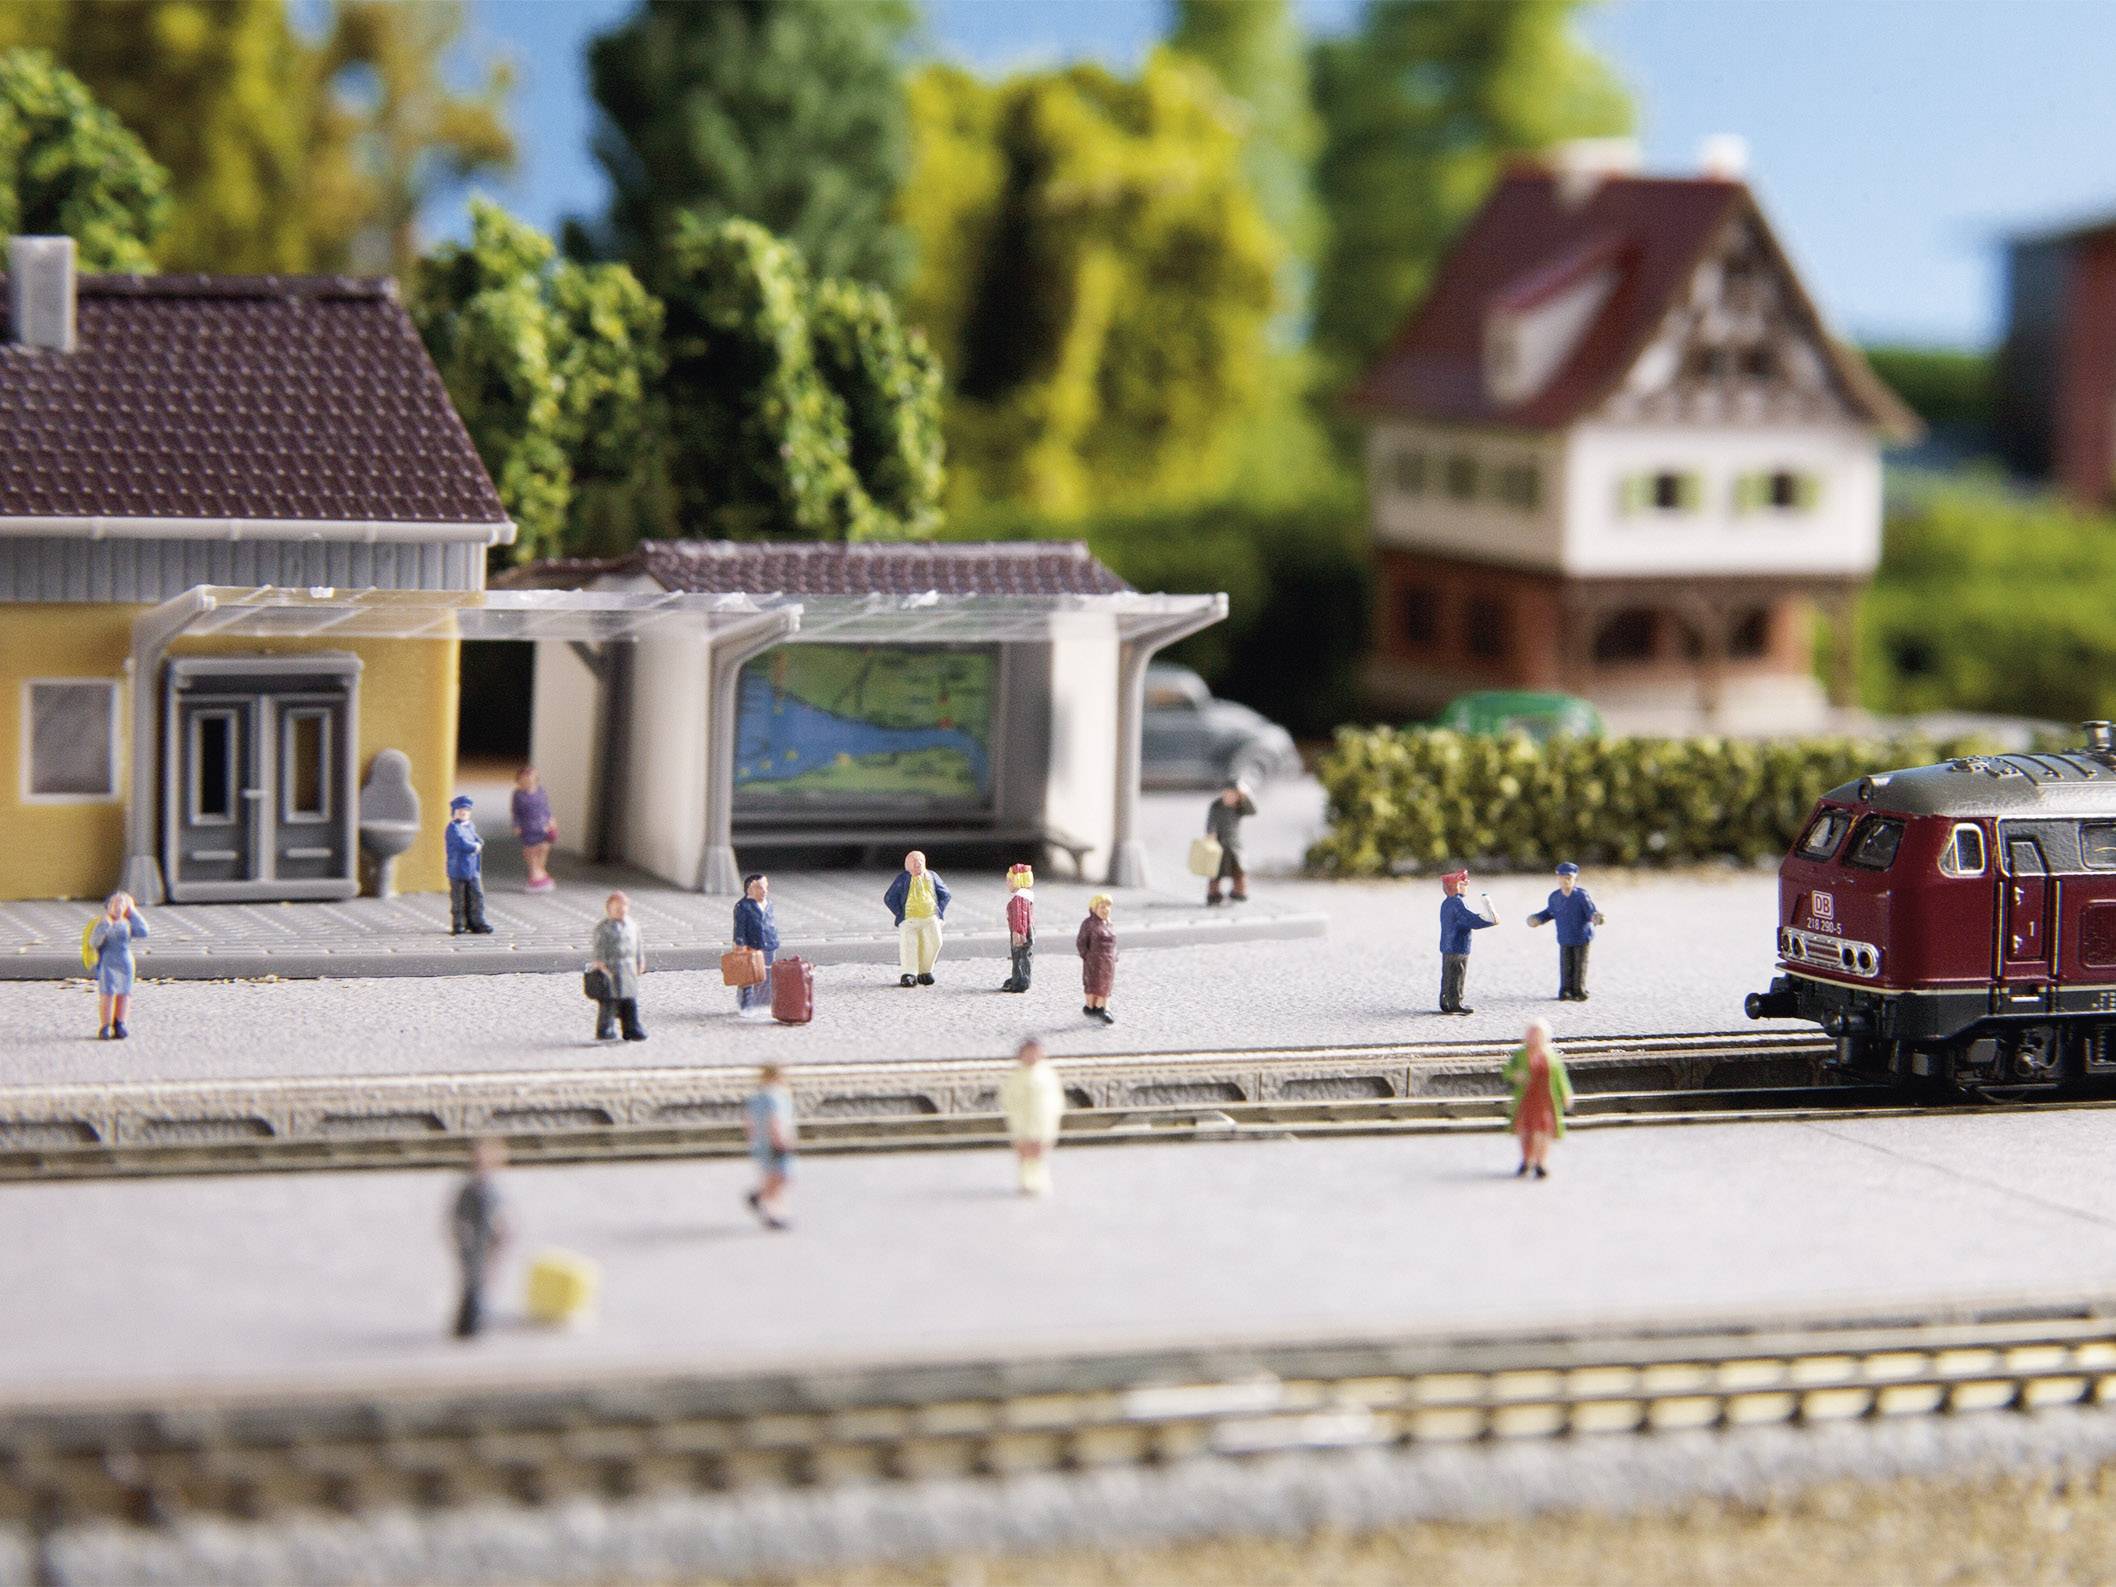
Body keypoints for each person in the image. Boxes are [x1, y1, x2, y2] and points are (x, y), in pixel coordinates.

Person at [447, 1138, 511, 1338]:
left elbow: (500, 1217)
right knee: (473, 1282)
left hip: (486, 1243)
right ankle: (470, 1324)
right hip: (473, 1243)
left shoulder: (489, 1189)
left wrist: (500, 1235)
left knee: (483, 1281)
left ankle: (474, 1321)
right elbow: (459, 1215)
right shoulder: (471, 1190)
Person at [1503, 1018, 1574, 1179]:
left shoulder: (1552, 1057)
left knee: (1543, 1132)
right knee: (1526, 1131)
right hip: (1527, 1099)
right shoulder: (1520, 1055)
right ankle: (1526, 1160)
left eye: (1538, 1035)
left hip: (1545, 1100)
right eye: (1531, 1034)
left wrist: (1565, 1094)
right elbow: (1507, 1071)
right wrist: (1515, 1076)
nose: (1534, 1038)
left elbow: (1560, 1077)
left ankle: (1540, 1162)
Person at [1527, 861, 1606, 1001]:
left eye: (1569, 878)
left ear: (1575, 879)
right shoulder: (1554, 897)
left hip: (1581, 937)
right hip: (1565, 937)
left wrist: (1596, 917)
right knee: (1566, 964)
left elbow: (1590, 912)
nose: (1565, 881)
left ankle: (1578, 990)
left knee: (1580, 964)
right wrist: (1537, 919)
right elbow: (1549, 913)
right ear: (1557, 878)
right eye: (1562, 877)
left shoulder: (1581, 896)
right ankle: (1565, 990)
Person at [999, 1038, 1065, 1195]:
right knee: (1024, 1152)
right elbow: (1007, 1098)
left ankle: (1039, 1180)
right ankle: (1025, 1181)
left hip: (1042, 1121)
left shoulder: (1047, 1075)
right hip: (1022, 1120)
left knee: (1039, 1152)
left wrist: (1054, 1115)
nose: (1032, 1058)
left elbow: (1056, 1098)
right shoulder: (1016, 1076)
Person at [883, 850, 950, 987]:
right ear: (907, 865)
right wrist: (901, 914)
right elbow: (889, 898)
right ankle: (909, 973)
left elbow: (946, 895)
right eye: (914, 862)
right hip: (910, 920)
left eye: (920, 861)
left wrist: (938, 912)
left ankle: (925, 971)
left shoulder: (932, 876)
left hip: (930, 918)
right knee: (909, 945)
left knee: (935, 942)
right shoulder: (903, 879)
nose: (918, 865)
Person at [89, 891, 149, 1040]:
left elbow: (143, 931)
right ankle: (105, 1025)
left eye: (123, 903)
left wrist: (133, 912)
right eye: (115, 903)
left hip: (125, 961)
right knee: (107, 994)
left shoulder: (127, 923)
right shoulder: (102, 923)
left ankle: (120, 1023)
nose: (119, 907)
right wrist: (105, 926)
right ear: (109, 906)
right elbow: (94, 942)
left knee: (124, 993)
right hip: (108, 961)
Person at [589, 890, 647, 1042]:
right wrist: (600, 964)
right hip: (611, 968)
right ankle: (605, 1029)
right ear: (609, 909)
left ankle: (632, 1028)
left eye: (623, 907)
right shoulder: (603, 928)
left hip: (628, 967)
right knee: (609, 1001)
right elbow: (599, 948)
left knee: (630, 1000)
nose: (621, 911)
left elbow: (638, 945)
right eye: (617, 908)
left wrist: (640, 961)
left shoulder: (632, 926)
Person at [744, 1064, 797, 1230]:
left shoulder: (756, 1097)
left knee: (771, 1176)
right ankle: (772, 1214)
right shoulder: (775, 1096)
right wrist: (780, 1140)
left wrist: (753, 1139)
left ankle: (761, 1199)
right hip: (775, 1142)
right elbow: (775, 1120)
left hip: (761, 1143)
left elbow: (748, 1120)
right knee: (781, 1176)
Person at [1438, 869, 1498, 1014]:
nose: (1466, 887)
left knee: (1448, 973)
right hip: (1458, 946)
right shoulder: (1457, 904)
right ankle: (1455, 1003)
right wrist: (1487, 920)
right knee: (1457, 972)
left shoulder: (1447, 903)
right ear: (1457, 886)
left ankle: (1445, 1000)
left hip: (1448, 945)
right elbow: (1469, 920)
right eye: (1464, 884)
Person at [732, 873, 779, 1019]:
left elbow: (770, 923)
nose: (764, 890)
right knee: (749, 976)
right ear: (749, 889)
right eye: (759, 887)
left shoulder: (768, 904)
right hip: (752, 945)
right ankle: (746, 1004)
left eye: (765, 887)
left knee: (767, 975)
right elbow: (739, 927)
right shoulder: (743, 906)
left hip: (769, 944)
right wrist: (739, 943)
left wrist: (774, 938)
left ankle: (764, 1003)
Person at [445, 794, 493, 934]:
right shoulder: (453, 828)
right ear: (454, 812)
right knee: (459, 897)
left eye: (466, 811)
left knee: (476, 895)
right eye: (461, 811)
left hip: (472, 869)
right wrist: (475, 846)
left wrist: (479, 842)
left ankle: (476, 921)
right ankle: (459, 923)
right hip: (458, 869)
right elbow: (461, 843)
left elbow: (477, 838)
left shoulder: (470, 826)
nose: (464, 813)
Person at [1204, 779, 1257, 905]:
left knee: (1239, 871)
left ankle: (1239, 891)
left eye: (1233, 794)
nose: (1229, 797)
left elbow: (1253, 811)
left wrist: (1246, 794)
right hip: (1219, 844)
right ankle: (1213, 893)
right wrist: (1211, 834)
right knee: (1215, 871)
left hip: (1234, 845)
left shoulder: (1239, 808)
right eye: (1227, 793)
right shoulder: (1216, 807)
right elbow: (1210, 823)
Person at [511, 766, 558, 894]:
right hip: (528, 826)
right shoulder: (518, 795)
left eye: (530, 778)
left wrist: (551, 820)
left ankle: (540, 874)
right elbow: (516, 812)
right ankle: (535, 875)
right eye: (524, 779)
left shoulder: (541, 792)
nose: (528, 781)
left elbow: (546, 808)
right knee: (530, 851)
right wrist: (516, 825)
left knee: (543, 848)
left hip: (542, 826)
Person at [1077, 893, 1118, 1024]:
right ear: (1094, 908)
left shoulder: (1109, 923)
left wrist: (1114, 955)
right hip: (1094, 960)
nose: (1106, 910)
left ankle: (1102, 1008)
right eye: (1102, 907)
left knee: (1106, 985)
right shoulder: (1089, 924)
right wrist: (1086, 956)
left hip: (1108, 961)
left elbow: (1113, 942)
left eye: (1108, 907)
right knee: (1093, 984)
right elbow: (1081, 941)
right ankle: (1091, 1007)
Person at [1001, 863, 1035, 993]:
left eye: (1009, 880)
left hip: (1020, 932)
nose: (1007, 883)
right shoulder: (1025, 896)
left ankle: (1020, 981)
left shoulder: (1019, 899)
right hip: (1025, 931)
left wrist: (1018, 932)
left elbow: (1020, 917)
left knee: (1020, 956)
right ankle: (1019, 978)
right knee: (1023, 956)